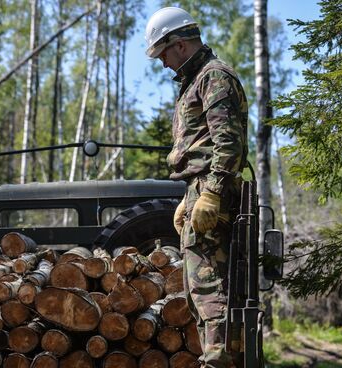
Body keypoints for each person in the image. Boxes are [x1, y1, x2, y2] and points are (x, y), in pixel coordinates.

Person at [145, 7, 248, 368]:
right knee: (197, 289)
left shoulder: (213, 77)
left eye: (163, 55)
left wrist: (212, 192)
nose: (163, 64)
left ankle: (219, 362)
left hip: (210, 188)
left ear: (181, 44)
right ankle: (216, 358)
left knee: (210, 289)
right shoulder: (197, 80)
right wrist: (192, 195)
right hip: (199, 188)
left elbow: (228, 144)